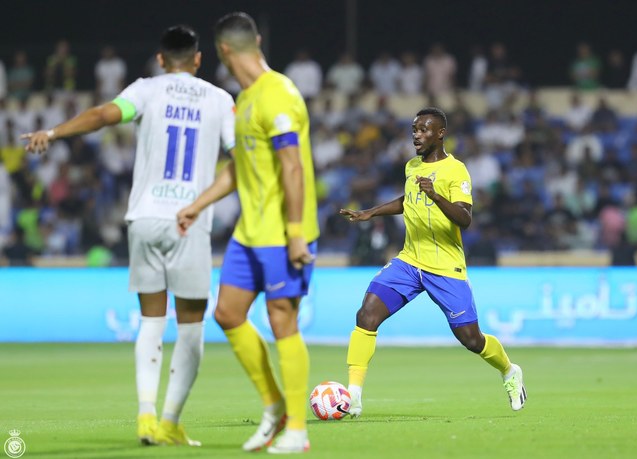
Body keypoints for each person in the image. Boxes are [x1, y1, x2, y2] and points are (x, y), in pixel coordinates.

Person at [22, 25, 236, 447]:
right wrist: (206, 197)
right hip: (188, 220)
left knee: (151, 322)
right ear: (197, 59)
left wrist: (54, 132)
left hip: (145, 217)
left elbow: (103, 115)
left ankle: (145, 415)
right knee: (191, 328)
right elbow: (241, 159)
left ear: (161, 59)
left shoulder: (146, 90)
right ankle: (171, 421)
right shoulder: (219, 99)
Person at [176, 12, 318, 454]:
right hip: (249, 232)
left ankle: (297, 429)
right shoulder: (247, 100)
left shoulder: (278, 95)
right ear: (255, 41)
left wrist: (296, 233)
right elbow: (238, 168)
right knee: (229, 314)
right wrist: (197, 205)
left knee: (282, 320)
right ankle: (274, 404)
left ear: (222, 52)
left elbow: (292, 167)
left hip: (282, 232)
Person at [339, 107, 527, 418]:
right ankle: (353, 396)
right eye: (414, 129)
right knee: (367, 314)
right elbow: (407, 200)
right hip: (409, 262)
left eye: (424, 130)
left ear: (441, 134)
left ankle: (509, 371)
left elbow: (465, 219)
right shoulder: (412, 166)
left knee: (471, 339)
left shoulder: (457, 171)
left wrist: (437, 195)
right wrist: (370, 212)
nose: (417, 135)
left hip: (445, 267)